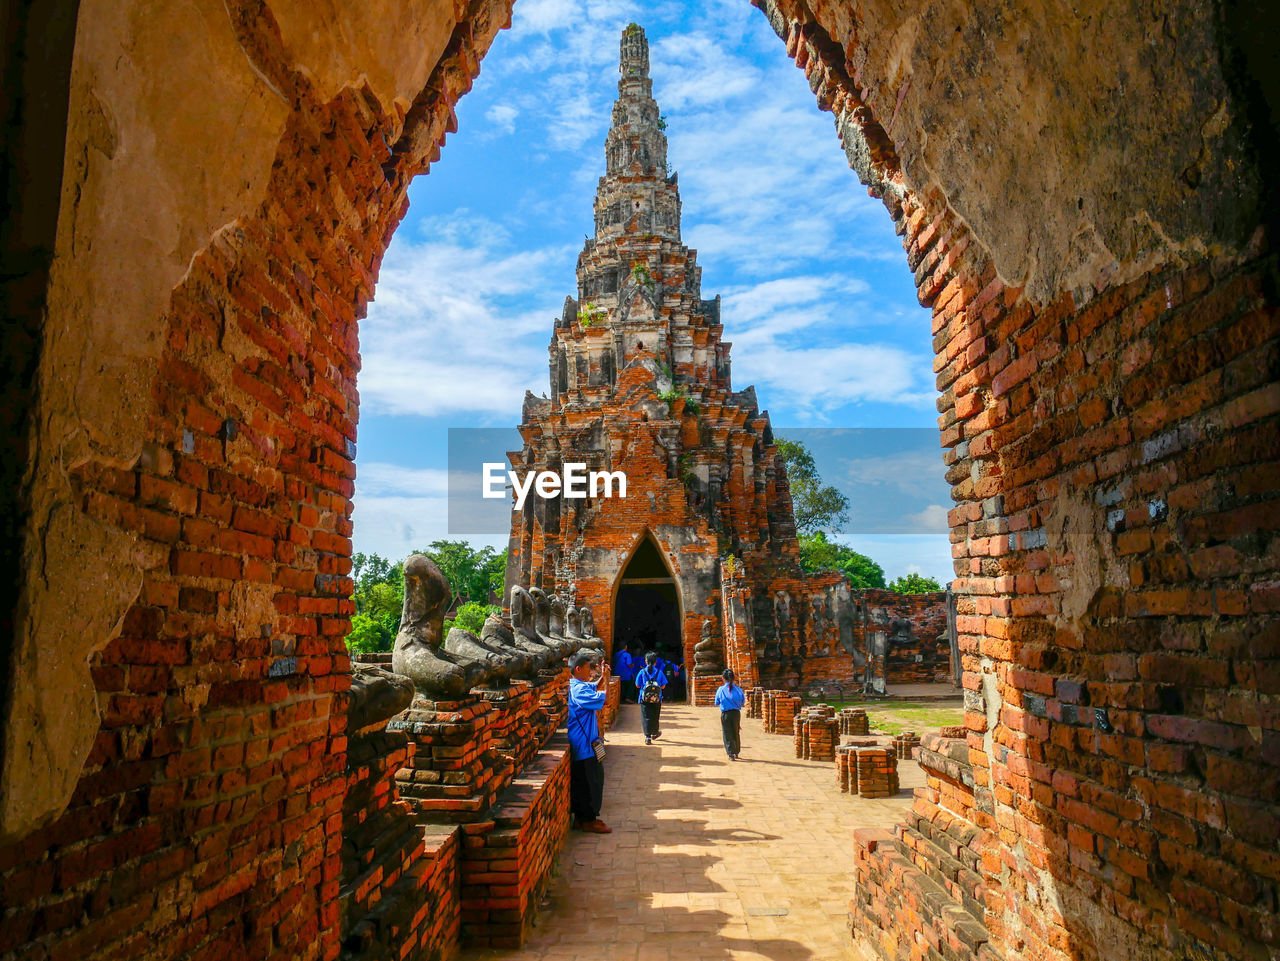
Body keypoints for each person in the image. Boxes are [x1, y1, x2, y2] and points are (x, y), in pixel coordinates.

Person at [567, 650, 612, 833]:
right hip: (583, 746)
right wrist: (607, 680)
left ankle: (588, 818)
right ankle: (586, 820)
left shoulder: (579, 685)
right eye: (587, 668)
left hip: (587, 744)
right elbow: (606, 700)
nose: (590, 672)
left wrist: (603, 676)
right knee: (588, 782)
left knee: (592, 779)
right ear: (578, 669)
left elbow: (595, 687)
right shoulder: (577, 690)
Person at [633, 651, 667, 745]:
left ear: (645, 661)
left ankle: (648, 737)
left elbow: (637, 685)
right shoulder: (659, 672)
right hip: (657, 699)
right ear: (656, 662)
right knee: (655, 716)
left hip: (644, 699)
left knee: (646, 717)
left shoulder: (642, 672)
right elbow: (663, 686)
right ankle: (655, 733)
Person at [714, 668, 745, 760]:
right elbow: (742, 702)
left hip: (726, 714)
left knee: (727, 733)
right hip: (736, 714)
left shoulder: (721, 690)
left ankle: (731, 753)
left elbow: (716, 702)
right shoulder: (739, 690)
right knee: (736, 731)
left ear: (723, 678)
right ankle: (736, 752)